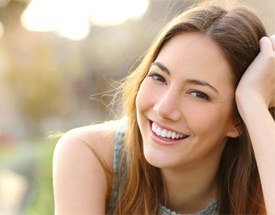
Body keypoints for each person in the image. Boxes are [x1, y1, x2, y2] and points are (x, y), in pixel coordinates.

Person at [53, 1, 275, 214]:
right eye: (159, 77)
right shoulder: (90, 155)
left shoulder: (263, 181)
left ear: (238, 120)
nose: (164, 108)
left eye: (198, 94)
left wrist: (254, 103)